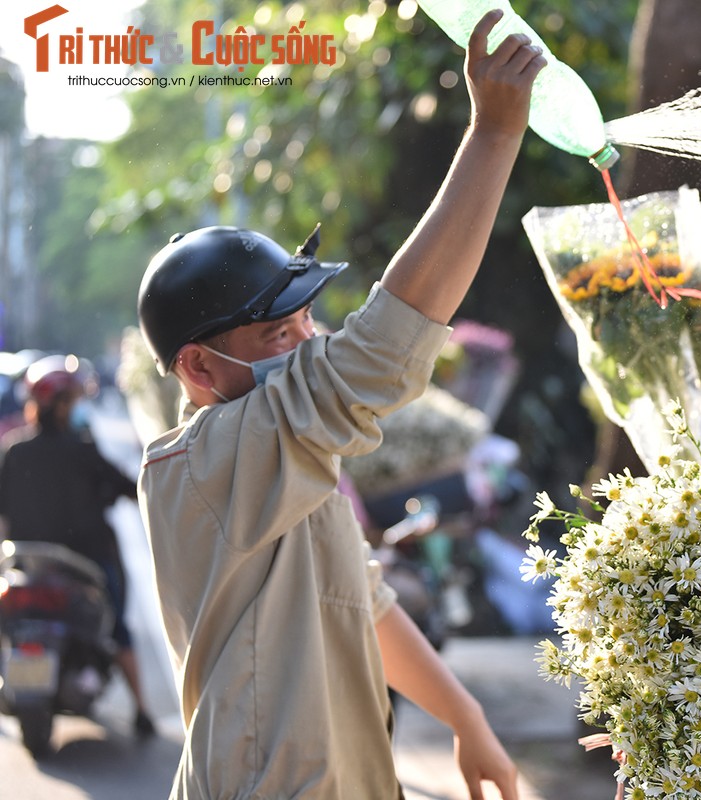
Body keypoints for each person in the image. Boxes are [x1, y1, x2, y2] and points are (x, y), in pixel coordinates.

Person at [134, 10, 540, 800]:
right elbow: (378, 354)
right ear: (197, 367)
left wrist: (467, 720)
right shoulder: (203, 463)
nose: (306, 344)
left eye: (304, 322)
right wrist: (491, 138)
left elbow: (363, 601)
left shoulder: (284, 466)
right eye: (276, 335)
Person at [0, 354, 157, 736]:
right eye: (72, 401)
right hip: (86, 563)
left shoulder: (14, 451)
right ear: (59, 405)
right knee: (117, 627)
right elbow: (132, 488)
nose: (77, 409)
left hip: (27, 566)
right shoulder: (82, 451)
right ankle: (142, 712)